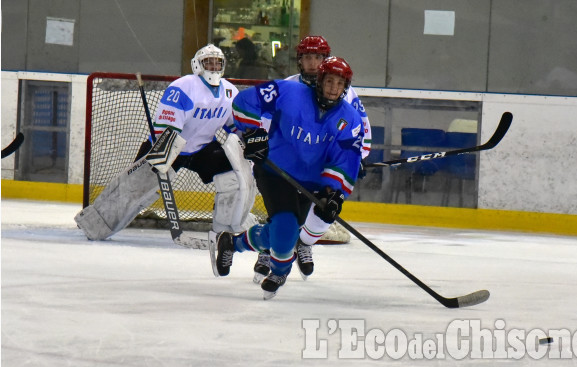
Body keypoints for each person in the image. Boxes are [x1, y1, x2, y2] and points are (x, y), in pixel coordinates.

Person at [211, 56, 363, 299]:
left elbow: (343, 159)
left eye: (340, 83)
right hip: (275, 170)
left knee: (285, 232)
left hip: (310, 182)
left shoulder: (350, 120)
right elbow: (245, 101)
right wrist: (253, 133)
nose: (334, 88)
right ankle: (280, 270)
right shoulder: (290, 92)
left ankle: (233, 243)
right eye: (330, 81)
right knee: (286, 225)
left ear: (346, 87)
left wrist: (333, 193)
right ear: (320, 81)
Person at [75, 44, 257, 240]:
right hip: (167, 146)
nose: (213, 67)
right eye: (208, 62)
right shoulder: (184, 86)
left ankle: (228, 226)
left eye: (217, 62)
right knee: (134, 189)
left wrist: (250, 139)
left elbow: (236, 124)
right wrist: (164, 155)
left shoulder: (229, 92)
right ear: (198, 65)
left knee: (234, 172)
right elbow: (167, 127)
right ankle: (95, 224)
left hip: (202, 149)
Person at [254, 36, 373, 283]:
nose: (312, 62)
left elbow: (360, 127)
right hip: (285, 163)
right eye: (307, 57)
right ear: (300, 60)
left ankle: (303, 244)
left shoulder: (345, 92)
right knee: (281, 210)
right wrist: (262, 144)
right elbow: (266, 120)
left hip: (318, 168)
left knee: (310, 210)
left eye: (318, 57)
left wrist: (357, 157)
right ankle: (268, 250)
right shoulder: (289, 86)